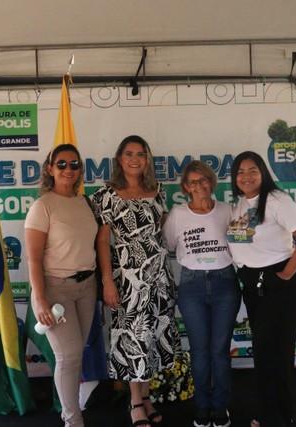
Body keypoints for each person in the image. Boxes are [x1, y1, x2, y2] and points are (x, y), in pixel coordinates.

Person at [92, 135, 180, 427]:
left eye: (140, 154)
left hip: (159, 276)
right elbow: (102, 242)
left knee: (152, 335)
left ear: (147, 159)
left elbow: (165, 230)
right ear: (119, 159)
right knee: (133, 336)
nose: (135, 159)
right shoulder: (106, 194)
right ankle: (135, 402)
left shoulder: (158, 190)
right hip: (128, 279)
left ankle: (146, 396)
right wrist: (107, 281)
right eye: (129, 154)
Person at [226, 151, 296, 427]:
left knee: (276, 353)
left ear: (263, 173)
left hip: (278, 283)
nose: (246, 176)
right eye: (240, 172)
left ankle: (278, 418)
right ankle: (269, 413)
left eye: (252, 170)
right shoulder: (241, 203)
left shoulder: (276, 200)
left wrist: (286, 274)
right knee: (265, 352)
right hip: (254, 283)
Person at [162, 160, 241, 427]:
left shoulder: (228, 210)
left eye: (203, 180)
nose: (199, 186)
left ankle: (220, 407)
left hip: (225, 284)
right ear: (185, 187)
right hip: (192, 285)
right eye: (192, 182)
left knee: (219, 350)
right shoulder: (177, 214)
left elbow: (241, 241)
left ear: (211, 182)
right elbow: (169, 244)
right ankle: (203, 406)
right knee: (199, 351)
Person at [25, 144, 98, 427]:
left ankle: (71, 413)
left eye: (74, 164)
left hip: (87, 288)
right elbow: (33, 259)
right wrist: (40, 299)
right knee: (67, 356)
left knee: (75, 355)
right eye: (62, 164)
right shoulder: (43, 206)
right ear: (50, 168)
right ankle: (72, 420)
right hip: (55, 290)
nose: (69, 169)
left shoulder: (85, 203)